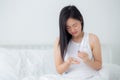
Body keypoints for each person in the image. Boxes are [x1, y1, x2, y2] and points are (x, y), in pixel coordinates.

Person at [39, 5, 108, 80]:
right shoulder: (59, 41)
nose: (72, 30)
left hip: (89, 77)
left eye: (74, 25)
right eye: (68, 28)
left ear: (81, 19)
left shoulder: (93, 39)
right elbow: (59, 70)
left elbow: (99, 65)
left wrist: (87, 60)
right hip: (68, 77)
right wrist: (67, 63)